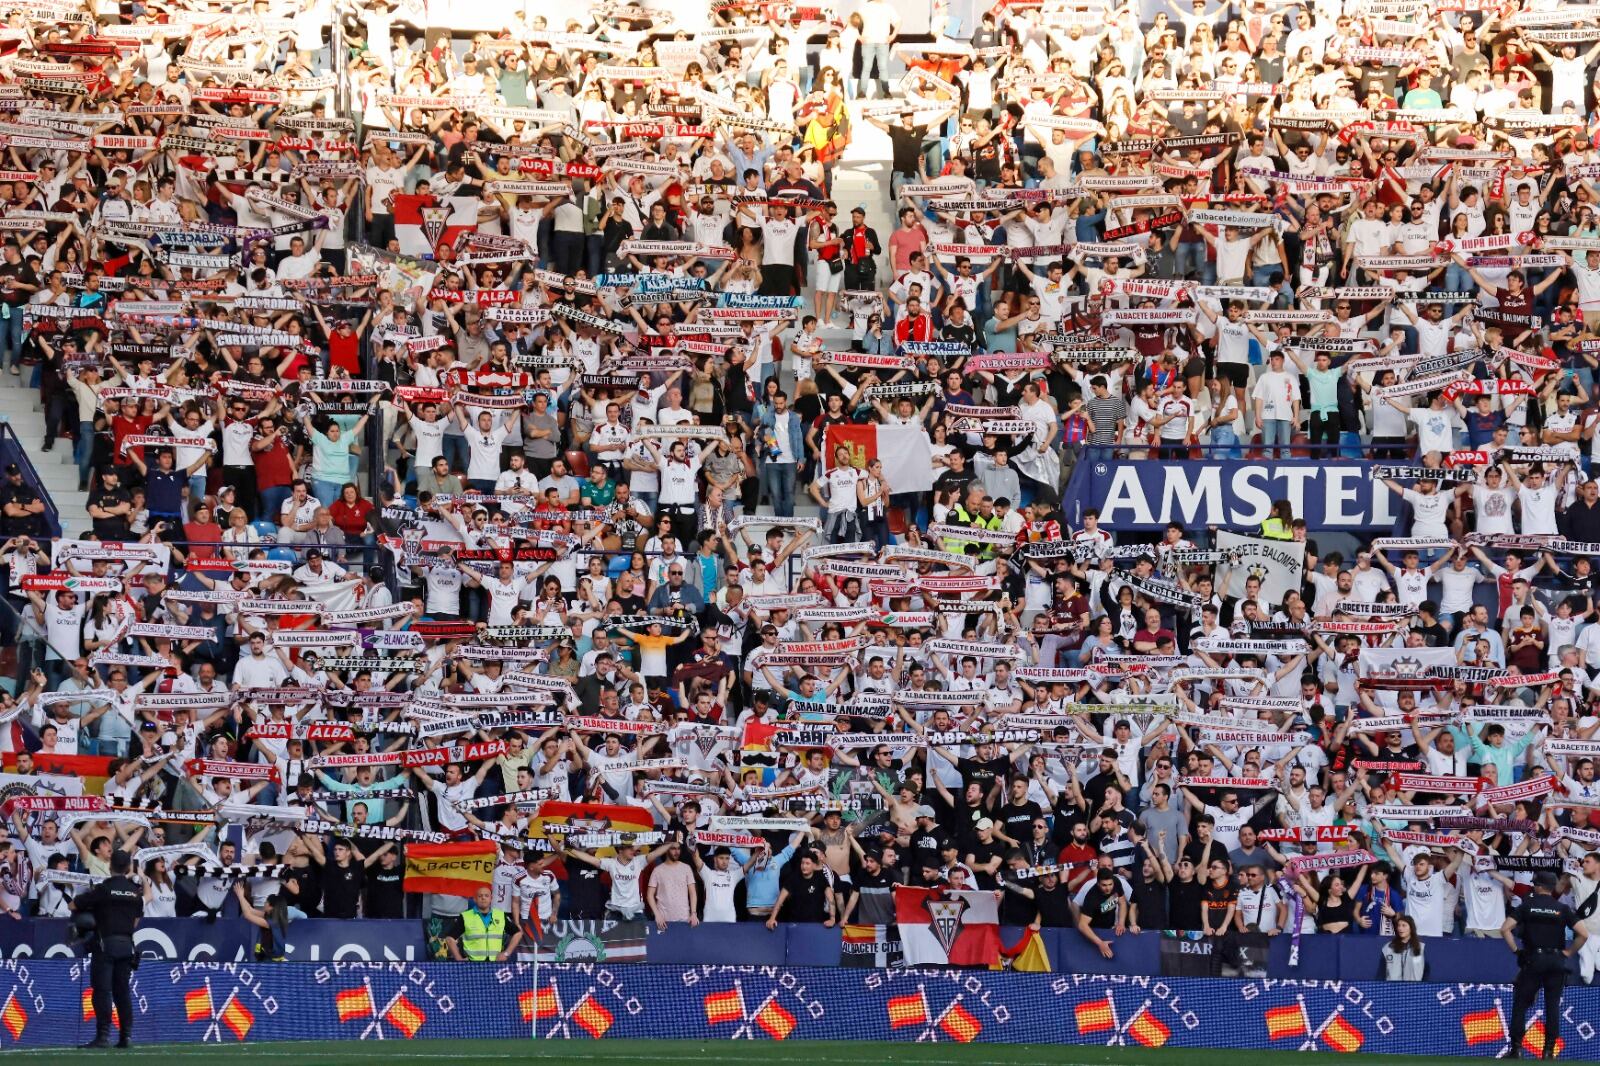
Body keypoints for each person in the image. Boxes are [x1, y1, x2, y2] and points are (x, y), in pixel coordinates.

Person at [1502, 872, 1589, 1058]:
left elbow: (1505, 929)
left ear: (1539, 886)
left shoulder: (1527, 906)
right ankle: (1549, 1050)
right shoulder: (1562, 908)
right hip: (1556, 961)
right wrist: (1568, 952)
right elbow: (1584, 933)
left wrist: (1516, 951)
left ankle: (1516, 1048)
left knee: (1521, 1004)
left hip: (1534, 960)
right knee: (1552, 1005)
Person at [72, 848, 142, 1048]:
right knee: (123, 992)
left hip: (106, 945)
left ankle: (103, 1036)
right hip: (127, 945)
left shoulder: (103, 889)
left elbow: (74, 906)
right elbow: (135, 922)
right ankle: (126, 1037)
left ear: (110, 866)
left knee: (102, 991)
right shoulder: (134, 892)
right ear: (128, 867)